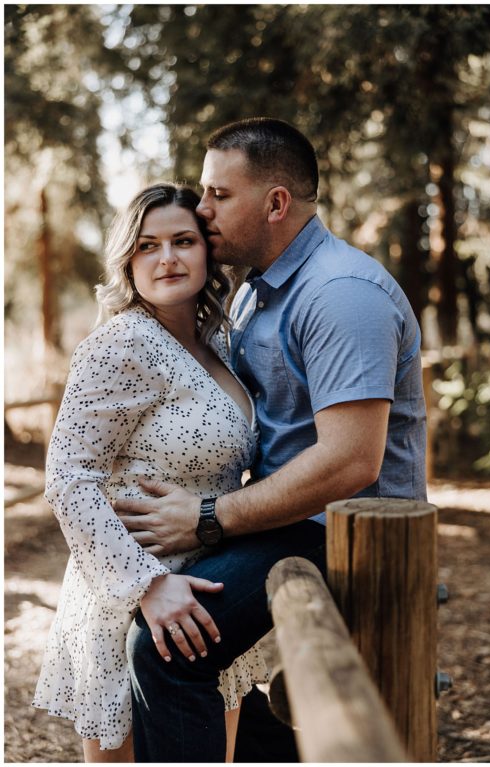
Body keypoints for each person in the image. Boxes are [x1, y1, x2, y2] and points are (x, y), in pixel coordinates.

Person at [112, 118, 427, 761]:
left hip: (347, 530)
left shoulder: (340, 294)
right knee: (248, 695)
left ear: (276, 203)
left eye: (217, 195)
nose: (202, 211)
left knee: (168, 647)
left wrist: (206, 518)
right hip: (289, 517)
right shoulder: (257, 291)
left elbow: (352, 461)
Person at [33, 183, 264, 762]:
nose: (167, 259)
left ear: (207, 251)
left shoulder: (219, 342)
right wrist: (148, 586)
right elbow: (69, 479)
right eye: (147, 245)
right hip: (134, 598)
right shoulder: (120, 345)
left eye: (183, 241)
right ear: (126, 261)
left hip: (211, 593)